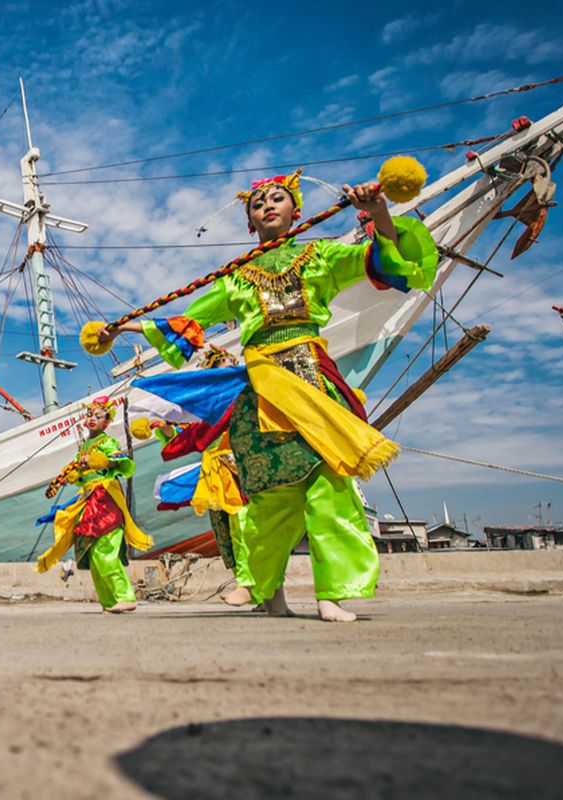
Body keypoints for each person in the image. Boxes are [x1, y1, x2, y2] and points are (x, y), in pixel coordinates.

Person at [96, 170, 437, 621]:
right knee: (269, 494)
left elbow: (379, 261)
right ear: (250, 223)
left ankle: (331, 593)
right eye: (257, 205)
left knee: (329, 484)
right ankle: (268, 591)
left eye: (278, 199)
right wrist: (124, 327)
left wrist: (378, 212)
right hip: (260, 389)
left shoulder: (321, 255)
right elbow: (189, 322)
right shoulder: (236, 280)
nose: (267, 207)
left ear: (297, 210)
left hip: (311, 380)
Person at [133, 345, 256, 606]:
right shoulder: (206, 412)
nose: (229, 373)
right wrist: (164, 427)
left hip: (246, 466)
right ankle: (247, 584)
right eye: (221, 370)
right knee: (226, 531)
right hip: (216, 473)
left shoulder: (248, 396)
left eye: (231, 367)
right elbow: (186, 437)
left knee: (247, 526)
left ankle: (254, 584)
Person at [35, 396, 153, 613]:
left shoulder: (107, 442)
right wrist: (76, 476)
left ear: (106, 423)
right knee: (93, 554)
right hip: (88, 501)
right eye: (89, 414)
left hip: (106, 498)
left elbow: (123, 463)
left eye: (98, 416)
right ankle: (109, 602)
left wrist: (105, 461)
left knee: (105, 548)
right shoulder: (84, 447)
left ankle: (125, 596)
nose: (92, 419)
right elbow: (83, 474)